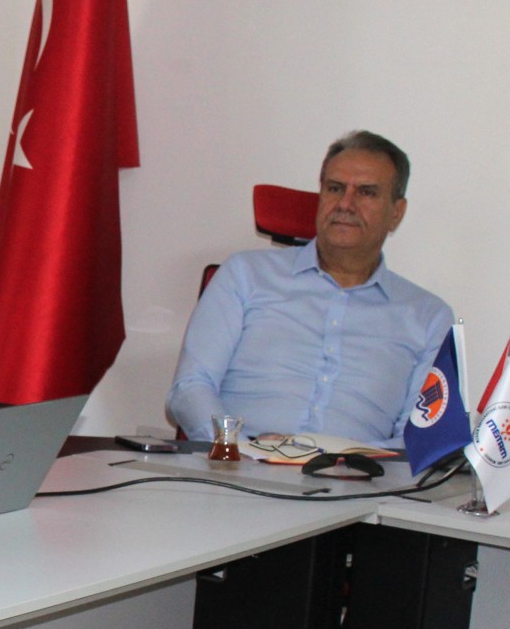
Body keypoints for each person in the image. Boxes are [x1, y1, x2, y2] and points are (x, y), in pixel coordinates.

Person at [167, 130, 454, 447]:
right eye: (335, 188)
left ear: (396, 212)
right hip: (239, 464)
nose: (345, 204)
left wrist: (353, 460)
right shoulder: (245, 275)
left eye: (366, 193)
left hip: (355, 474)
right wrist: (236, 446)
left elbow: (419, 437)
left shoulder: (428, 317)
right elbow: (190, 388)